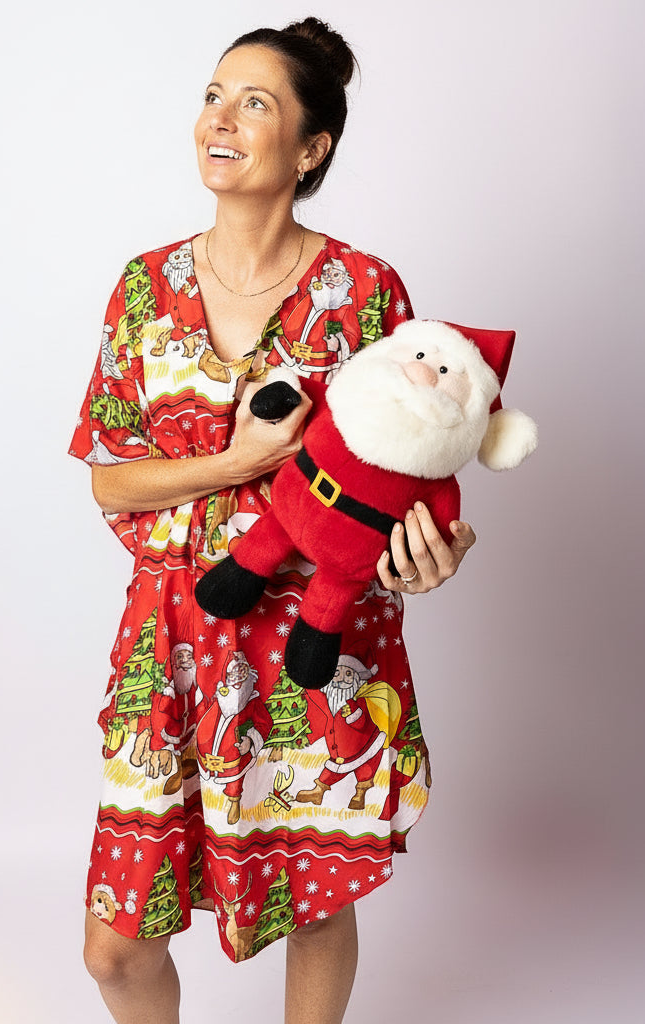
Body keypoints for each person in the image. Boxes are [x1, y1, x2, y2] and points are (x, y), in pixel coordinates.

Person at [68, 18, 476, 1024]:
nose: (220, 118)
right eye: (213, 96)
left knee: (316, 899)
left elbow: (408, 471)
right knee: (116, 949)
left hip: (315, 645)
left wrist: (430, 553)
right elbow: (111, 480)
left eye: (254, 103)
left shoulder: (365, 295)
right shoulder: (144, 289)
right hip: (170, 644)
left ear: (308, 149)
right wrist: (240, 462)